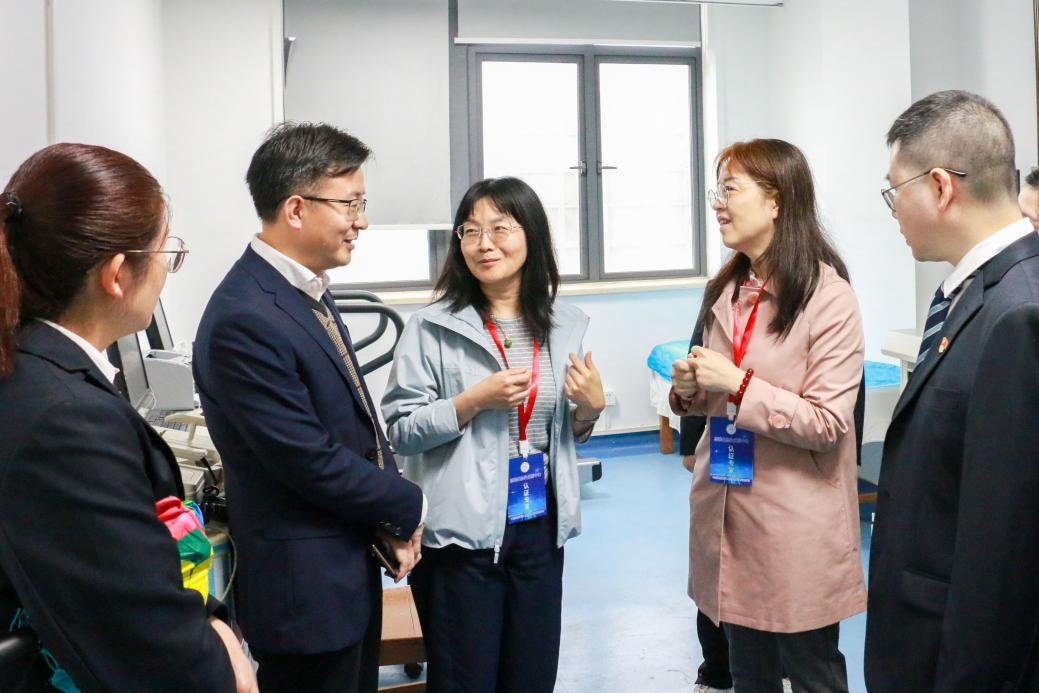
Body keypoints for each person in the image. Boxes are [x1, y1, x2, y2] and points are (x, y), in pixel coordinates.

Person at [0, 143, 255, 692]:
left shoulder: (31, 369)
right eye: (165, 251)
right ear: (117, 275)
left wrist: (214, 621)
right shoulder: (67, 422)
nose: (166, 270)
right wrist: (224, 653)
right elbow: (147, 642)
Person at [193, 122, 425, 693]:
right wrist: (408, 503)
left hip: (341, 571)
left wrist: (385, 515)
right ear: (296, 208)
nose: (361, 221)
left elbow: (356, 416)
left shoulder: (303, 289)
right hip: (304, 595)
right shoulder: (246, 315)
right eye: (351, 204)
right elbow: (307, 457)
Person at [380, 176, 605, 692]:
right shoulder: (431, 328)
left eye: (500, 228)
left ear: (532, 236)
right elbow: (402, 431)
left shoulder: (563, 326)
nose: (485, 243)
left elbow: (558, 431)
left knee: (532, 675)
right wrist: (471, 402)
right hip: (460, 538)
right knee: (467, 680)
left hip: (538, 525)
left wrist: (589, 411)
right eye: (471, 230)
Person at [670, 139, 865, 692]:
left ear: (777, 201)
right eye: (717, 190)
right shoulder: (729, 289)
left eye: (730, 189)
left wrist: (737, 383)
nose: (718, 203)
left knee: (812, 673)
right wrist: (689, 392)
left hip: (792, 526)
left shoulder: (828, 297)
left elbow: (827, 424)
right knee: (748, 673)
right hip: (728, 514)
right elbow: (717, 400)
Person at [865, 90, 1039, 692]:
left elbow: (1005, 547)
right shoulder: (974, 293)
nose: (894, 210)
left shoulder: (1018, 314)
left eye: (895, 191)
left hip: (953, 656)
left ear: (940, 187)